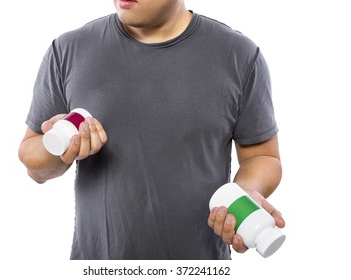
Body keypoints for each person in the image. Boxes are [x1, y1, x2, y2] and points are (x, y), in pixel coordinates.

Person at [18, 0, 285, 259]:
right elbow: (34, 167)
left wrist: (244, 194)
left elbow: (262, 156)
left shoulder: (239, 55)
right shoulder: (68, 50)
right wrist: (58, 145)